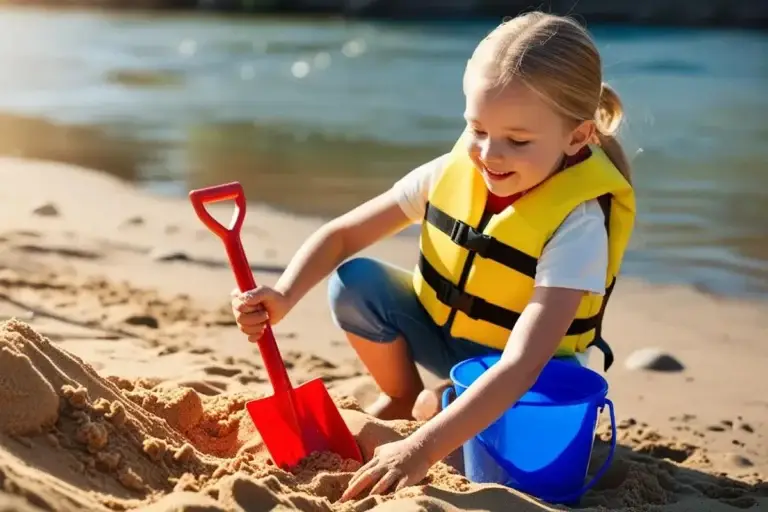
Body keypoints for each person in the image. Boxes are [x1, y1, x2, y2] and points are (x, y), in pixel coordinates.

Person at [231, 11, 636, 502]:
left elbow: (524, 364)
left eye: (518, 141)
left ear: (578, 136)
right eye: (477, 128)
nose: (489, 153)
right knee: (355, 283)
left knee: (447, 423)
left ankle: (435, 406)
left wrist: (421, 449)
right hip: (448, 335)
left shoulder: (578, 225)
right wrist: (284, 293)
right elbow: (341, 237)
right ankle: (405, 396)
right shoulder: (452, 170)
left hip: (530, 384)